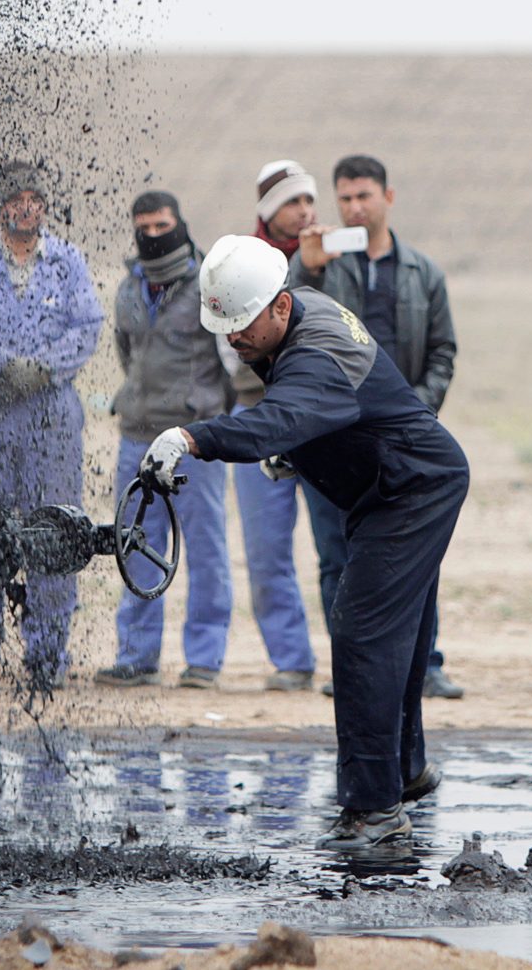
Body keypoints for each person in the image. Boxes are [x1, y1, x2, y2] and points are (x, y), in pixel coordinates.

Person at [140, 234, 469, 856]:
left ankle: (376, 810)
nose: (234, 340)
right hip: (392, 481)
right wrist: (302, 451)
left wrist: (189, 437)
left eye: (241, 326)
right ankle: (402, 771)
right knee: (396, 630)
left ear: (279, 307)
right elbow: (332, 412)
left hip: (412, 490)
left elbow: (280, 417)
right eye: (226, 328)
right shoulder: (298, 312)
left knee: (361, 630)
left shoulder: (315, 348)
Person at [292, 154, 464, 699]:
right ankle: (350, 666)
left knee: (416, 554)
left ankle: (425, 664)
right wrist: (309, 267)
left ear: (388, 198)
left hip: (405, 439)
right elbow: (289, 322)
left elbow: (442, 352)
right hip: (333, 437)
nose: (354, 207)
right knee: (336, 556)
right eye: (344, 198)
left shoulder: (423, 272)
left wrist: (416, 414)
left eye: (364, 196)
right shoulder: (323, 266)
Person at [0, 160, 104, 689]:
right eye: (15, 198)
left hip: (51, 420)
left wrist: (42, 370)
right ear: (0, 206)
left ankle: (46, 656)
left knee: (52, 532)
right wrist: (2, 367)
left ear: (44, 204)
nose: (25, 207)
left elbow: (88, 326)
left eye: (34, 198)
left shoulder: (68, 261)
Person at [94, 191, 234, 689]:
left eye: (162, 224)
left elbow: (230, 360)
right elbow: (125, 351)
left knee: (205, 546)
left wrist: (207, 416)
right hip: (136, 436)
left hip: (195, 439)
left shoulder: (208, 284)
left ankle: (204, 658)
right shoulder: (130, 286)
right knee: (133, 543)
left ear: (180, 223)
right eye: (144, 226)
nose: (153, 234)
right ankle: (136, 655)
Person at [222, 159, 322, 692]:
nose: (305, 211)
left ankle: (357, 657)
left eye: (309, 200)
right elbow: (233, 345)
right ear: (269, 211)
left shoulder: (331, 262)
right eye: (292, 202)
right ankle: (292, 660)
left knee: (340, 546)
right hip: (260, 414)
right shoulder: (239, 264)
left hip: (323, 419)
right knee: (265, 550)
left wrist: (315, 269)